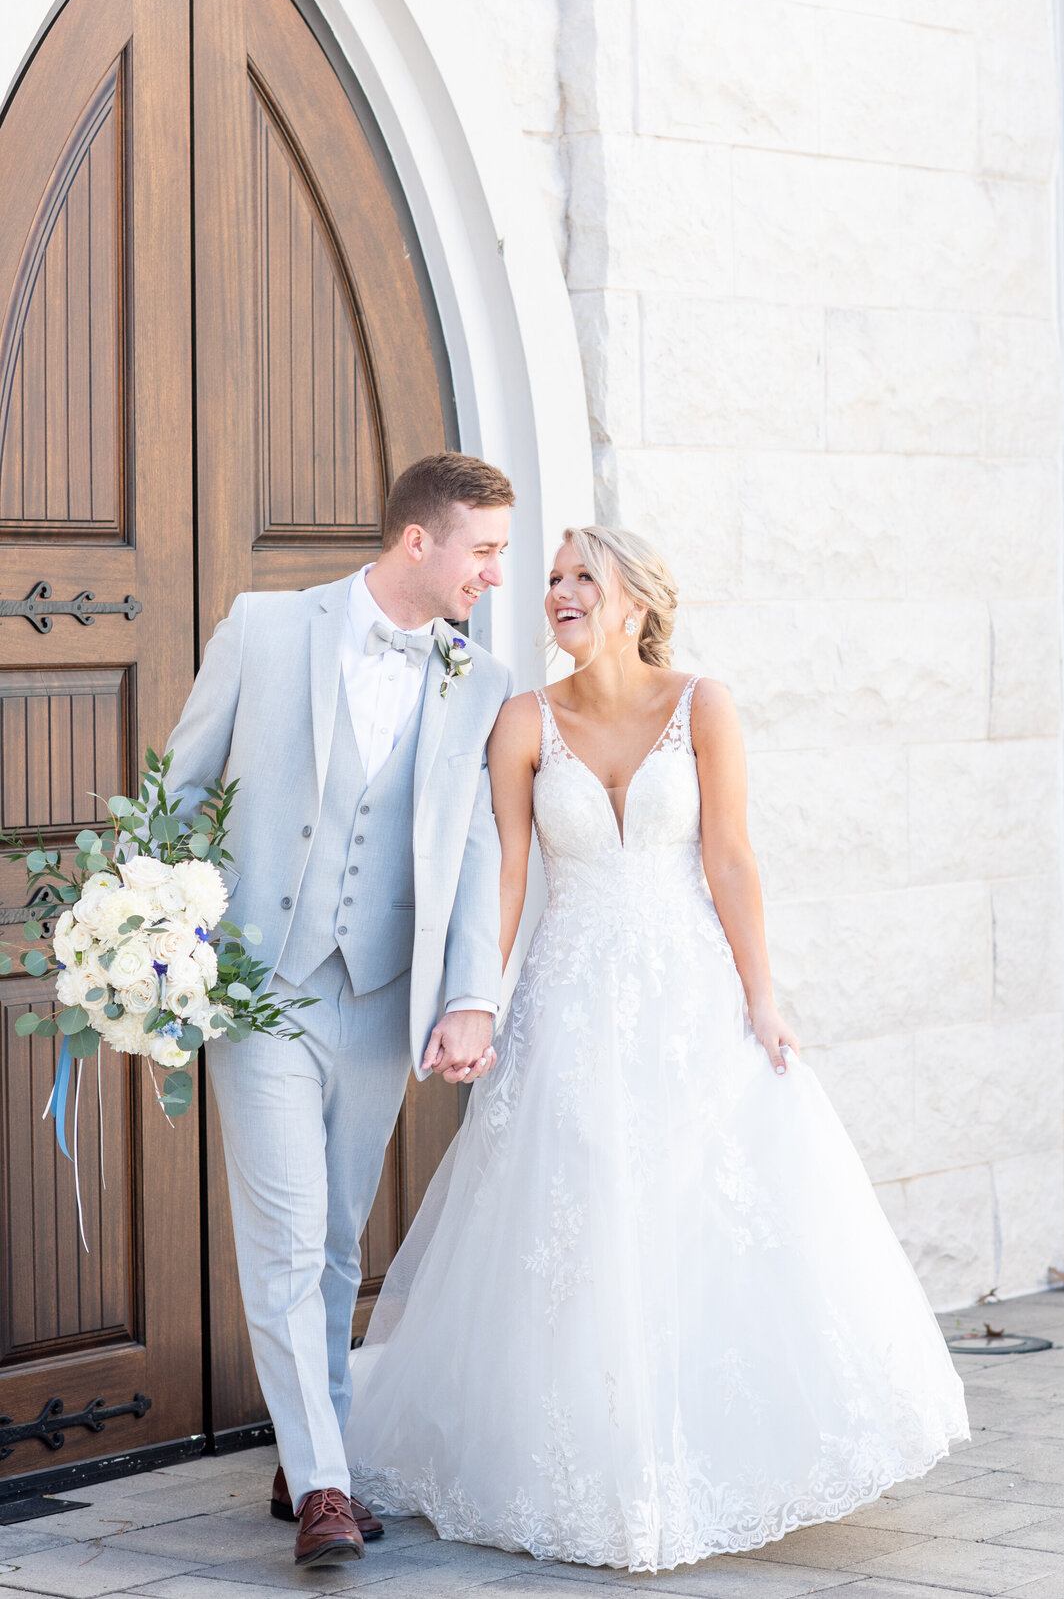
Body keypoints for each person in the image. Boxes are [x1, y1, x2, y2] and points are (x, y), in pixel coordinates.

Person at [344, 524, 969, 1574]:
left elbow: (730, 857)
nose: (560, 591)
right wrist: (475, 1002)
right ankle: (592, 1464)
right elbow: (506, 876)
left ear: (635, 600)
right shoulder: (523, 720)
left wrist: (763, 998)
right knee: (580, 1215)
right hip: (568, 1001)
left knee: (695, 1212)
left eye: (584, 576)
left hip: (692, 999)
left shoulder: (703, 705)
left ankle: (704, 1460)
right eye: (552, 578)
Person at [165, 452, 514, 1567]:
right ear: (419, 541)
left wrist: (471, 996)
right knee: (281, 1236)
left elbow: (477, 849)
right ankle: (325, 1483)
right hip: (260, 990)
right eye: (484, 551)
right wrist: (165, 945)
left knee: (329, 1242)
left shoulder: (481, 679)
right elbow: (181, 790)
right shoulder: (266, 630)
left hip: (380, 998)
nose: (495, 574)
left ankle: (299, 1443)